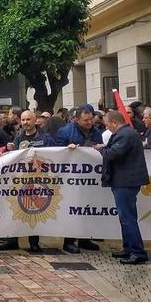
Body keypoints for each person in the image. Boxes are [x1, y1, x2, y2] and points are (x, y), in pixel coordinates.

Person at [0, 110, 58, 253]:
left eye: (28, 120)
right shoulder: (18, 139)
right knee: (16, 210)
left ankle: (34, 243)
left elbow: (57, 154)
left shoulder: (46, 138)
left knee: (34, 211)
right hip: (21, 181)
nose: (25, 123)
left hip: (39, 181)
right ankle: (12, 241)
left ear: (35, 120)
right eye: (23, 120)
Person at [98, 110, 149, 265]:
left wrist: (102, 149)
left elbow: (114, 153)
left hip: (126, 181)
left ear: (114, 122)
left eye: (107, 125)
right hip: (123, 180)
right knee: (125, 218)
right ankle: (128, 248)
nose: (107, 128)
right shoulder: (125, 134)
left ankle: (137, 251)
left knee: (127, 218)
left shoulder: (125, 134)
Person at [55, 106, 103, 254]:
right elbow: (55, 151)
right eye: (85, 120)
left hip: (89, 178)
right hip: (70, 178)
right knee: (71, 208)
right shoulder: (65, 132)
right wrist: (66, 149)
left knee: (87, 207)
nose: (89, 123)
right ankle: (68, 241)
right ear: (76, 119)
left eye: (91, 119)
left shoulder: (96, 131)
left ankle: (85, 238)